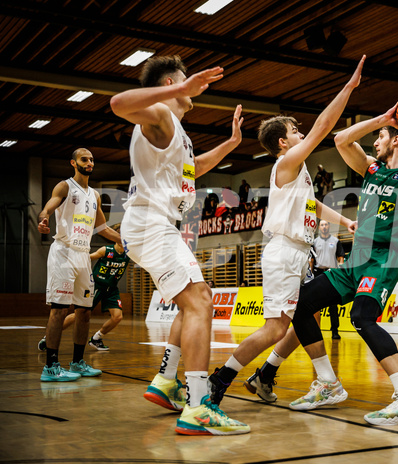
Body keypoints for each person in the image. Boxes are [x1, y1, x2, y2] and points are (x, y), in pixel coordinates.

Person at [240, 101, 398, 426]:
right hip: (355, 260)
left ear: (395, 140)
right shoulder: (374, 169)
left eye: (380, 136)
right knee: (302, 305)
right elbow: (341, 140)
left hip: (381, 259)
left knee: (362, 317)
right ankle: (325, 384)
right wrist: (383, 117)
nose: (374, 142)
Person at [206, 56, 365, 407]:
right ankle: (221, 378)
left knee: (303, 315)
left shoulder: (299, 170)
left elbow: (313, 205)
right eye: (295, 131)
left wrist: (345, 222)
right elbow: (324, 126)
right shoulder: (287, 162)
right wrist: (348, 88)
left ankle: (266, 375)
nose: (302, 134)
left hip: (297, 253)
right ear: (282, 142)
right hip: (284, 252)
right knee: (275, 328)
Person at [110, 55, 249, 435]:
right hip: (152, 223)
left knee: (189, 304)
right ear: (172, 81)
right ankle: (199, 407)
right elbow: (117, 104)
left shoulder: (177, 133)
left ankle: (166, 380)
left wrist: (231, 143)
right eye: (186, 82)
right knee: (201, 300)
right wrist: (179, 90)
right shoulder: (159, 113)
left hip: (153, 224)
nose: (194, 90)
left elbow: (194, 169)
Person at [38, 148, 122, 382]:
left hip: (83, 255)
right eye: (84, 159)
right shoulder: (64, 186)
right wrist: (43, 218)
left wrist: (125, 241)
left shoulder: (94, 195)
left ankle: (77, 362)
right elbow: (48, 206)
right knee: (59, 309)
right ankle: (51, 367)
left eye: (92, 159)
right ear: (73, 163)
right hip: (63, 253)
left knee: (84, 311)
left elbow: (102, 228)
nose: (89, 163)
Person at [39, 236, 131, 352]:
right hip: (97, 285)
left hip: (111, 288)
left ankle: (96, 338)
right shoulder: (106, 250)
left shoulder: (129, 253)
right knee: (78, 315)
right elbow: (87, 258)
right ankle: (48, 338)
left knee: (117, 317)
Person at [313, 220, 345, 339]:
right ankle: (316, 330)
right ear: (319, 227)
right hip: (318, 273)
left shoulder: (336, 241)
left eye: (326, 224)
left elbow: (341, 256)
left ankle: (335, 331)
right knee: (316, 304)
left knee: (333, 304)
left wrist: (340, 269)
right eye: (322, 225)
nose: (324, 226)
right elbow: (311, 259)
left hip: (332, 273)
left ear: (329, 226)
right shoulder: (315, 242)